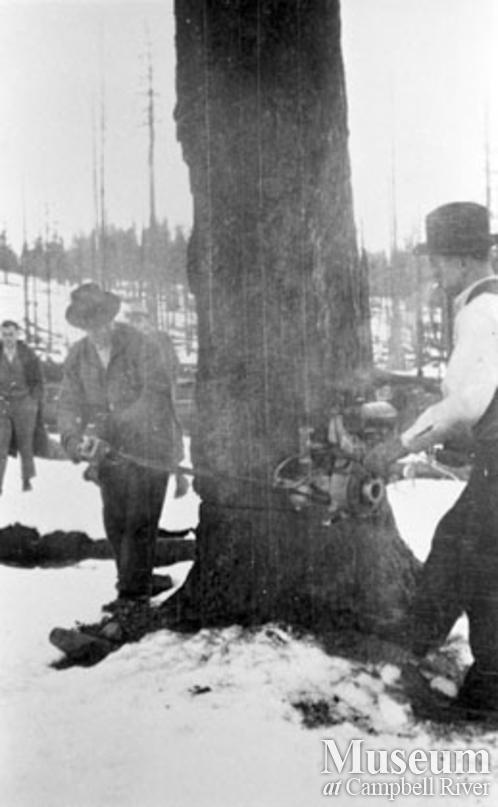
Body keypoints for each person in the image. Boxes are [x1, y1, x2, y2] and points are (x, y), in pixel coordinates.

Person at [364, 201, 498, 714]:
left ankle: (407, 645)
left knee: (456, 541)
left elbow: (468, 402)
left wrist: (399, 445)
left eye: (438, 261)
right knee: (480, 557)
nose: (436, 272)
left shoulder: (478, 311)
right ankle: (487, 679)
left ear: (463, 260)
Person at [57, 283, 184, 612]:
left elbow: (154, 397)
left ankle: (132, 599)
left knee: (140, 519)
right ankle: (136, 580)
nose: (96, 331)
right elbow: (68, 403)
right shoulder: (78, 356)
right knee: (115, 521)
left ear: (111, 318)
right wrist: (73, 440)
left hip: (151, 447)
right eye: (88, 325)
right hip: (110, 452)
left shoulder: (141, 346)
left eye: (101, 322)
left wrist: (106, 428)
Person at [0, 320, 43, 493]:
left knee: (26, 445)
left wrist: (33, 402)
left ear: (17, 334)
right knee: (0, 445)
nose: (8, 338)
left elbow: (38, 382)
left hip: (24, 405)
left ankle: (27, 479)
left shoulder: (28, 354)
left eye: (11, 334)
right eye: (4, 334)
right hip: (2, 405)